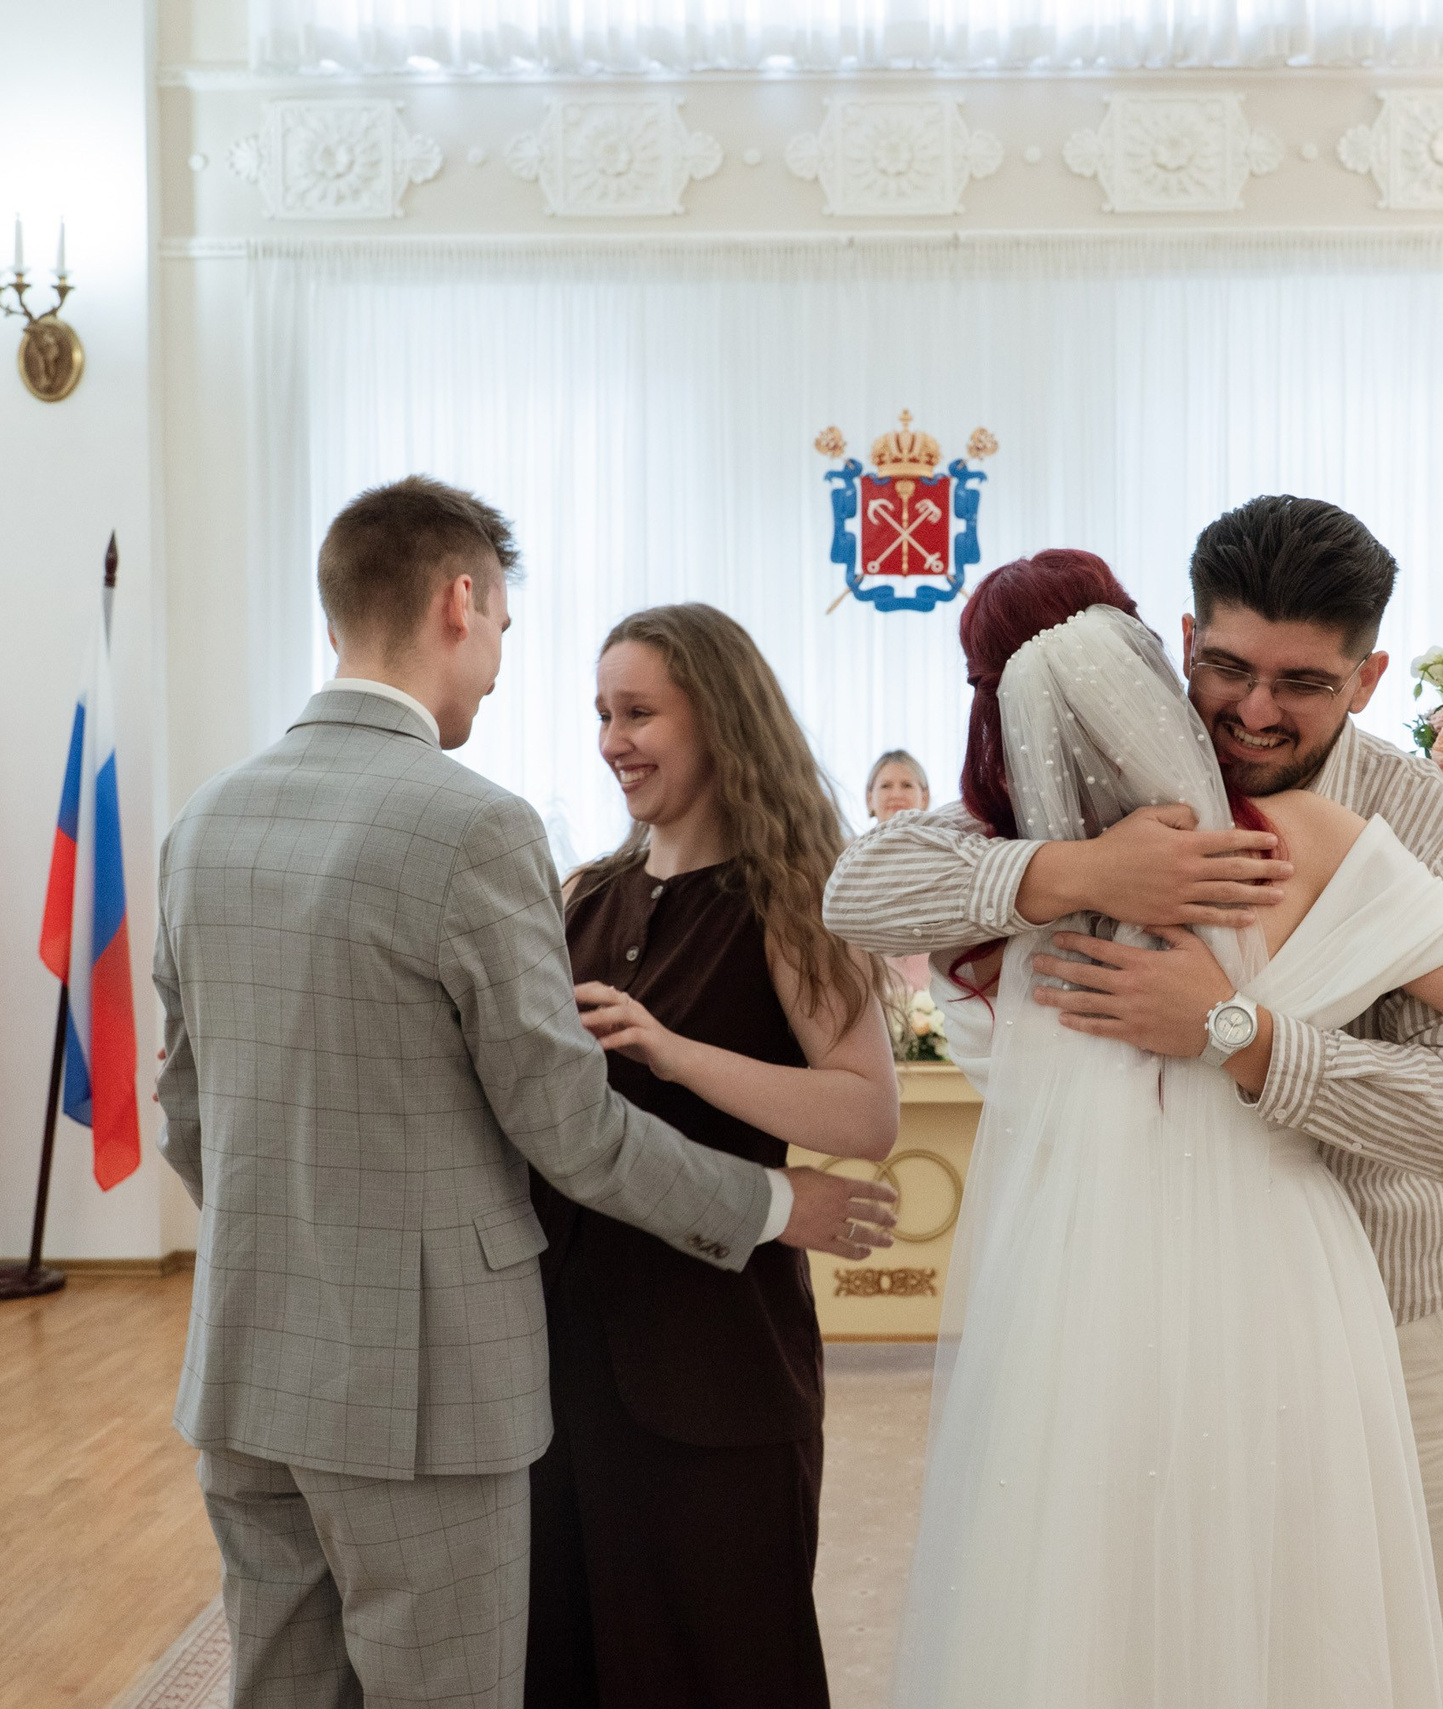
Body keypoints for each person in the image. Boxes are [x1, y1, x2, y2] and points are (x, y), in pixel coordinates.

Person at [153, 477, 896, 1709]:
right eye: (506, 634)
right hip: (471, 1372)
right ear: (462, 600)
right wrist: (771, 1203)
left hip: (267, 1356)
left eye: (637, 709)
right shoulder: (488, 835)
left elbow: (185, 1113)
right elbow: (561, 1126)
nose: (504, 672)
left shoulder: (204, 821)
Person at [827, 502, 1443, 1709]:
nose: (1253, 712)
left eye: (1301, 683)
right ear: (1178, 640)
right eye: (1225, 667)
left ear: (1368, 674)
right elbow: (864, 882)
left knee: (1425, 1658)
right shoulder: (1115, 781)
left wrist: (1241, 1034)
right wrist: (1077, 872)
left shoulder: (1423, 824)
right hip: (1177, 1335)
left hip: (1395, 1310)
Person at [527, 604, 901, 1709]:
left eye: (639, 711)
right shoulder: (580, 896)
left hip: (722, 1365)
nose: (613, 739)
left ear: (720, 719)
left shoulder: (790, 897)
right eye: (602, 713)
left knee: (729, 1661)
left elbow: (865, 1113)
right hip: (567, 1359)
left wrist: (676, 1051)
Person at [864, 750, 937, 991]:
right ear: (869, 799)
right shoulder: (846, 862)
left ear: (924, 797)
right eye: (885, 786)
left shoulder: (943, 856)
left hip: (934, 993)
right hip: (873, 990)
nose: (896, 793)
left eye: (906, 785)